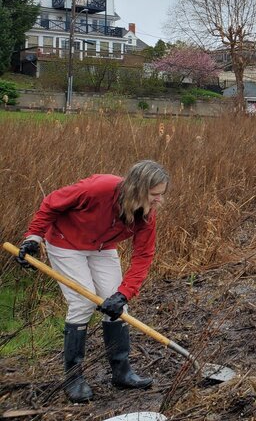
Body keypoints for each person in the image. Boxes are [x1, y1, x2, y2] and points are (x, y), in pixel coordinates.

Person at [15, 160, 169, 402]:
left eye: (161, 194)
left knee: (117, 305)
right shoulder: (100, 188)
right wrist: (33, 236)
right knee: (82, 303)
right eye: (154, 195)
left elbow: (143, 256)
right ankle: (73, 378)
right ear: (137, 189)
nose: (159, 200)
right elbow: (51, 203)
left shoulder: (147, 216)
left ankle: (122, 372)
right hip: (66, 242)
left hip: (101, 246)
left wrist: (124, 294)